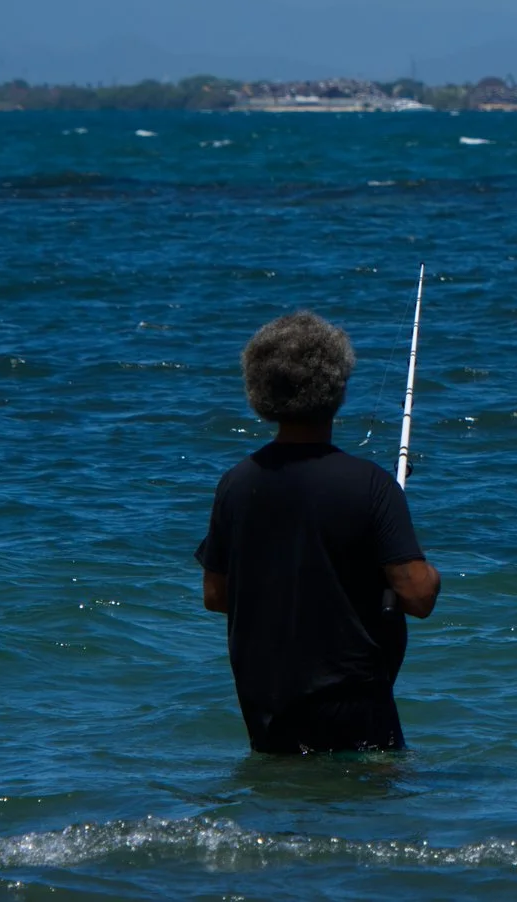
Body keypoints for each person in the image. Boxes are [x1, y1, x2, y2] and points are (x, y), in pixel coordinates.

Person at [196, 311, 441, 753]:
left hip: (266, 702)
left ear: (261, 390)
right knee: (365, 811)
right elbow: (418, 595)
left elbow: (216, 595)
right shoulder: (371, 484)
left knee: (280, 812)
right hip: (354, 704)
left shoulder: (235, 484)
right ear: (337, 388)